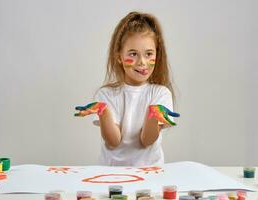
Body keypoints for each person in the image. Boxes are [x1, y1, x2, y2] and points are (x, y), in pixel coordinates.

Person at [74, 11, 180, 166]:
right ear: (119, 56)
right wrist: (103, 111)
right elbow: (113, 141)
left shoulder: (160, 93)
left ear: (157, 55)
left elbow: (147, 141)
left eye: (149, 54)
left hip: (150, 174)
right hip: (111, 174)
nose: (142, 62)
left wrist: (153, 114)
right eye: (133, 54)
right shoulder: (106, 94)